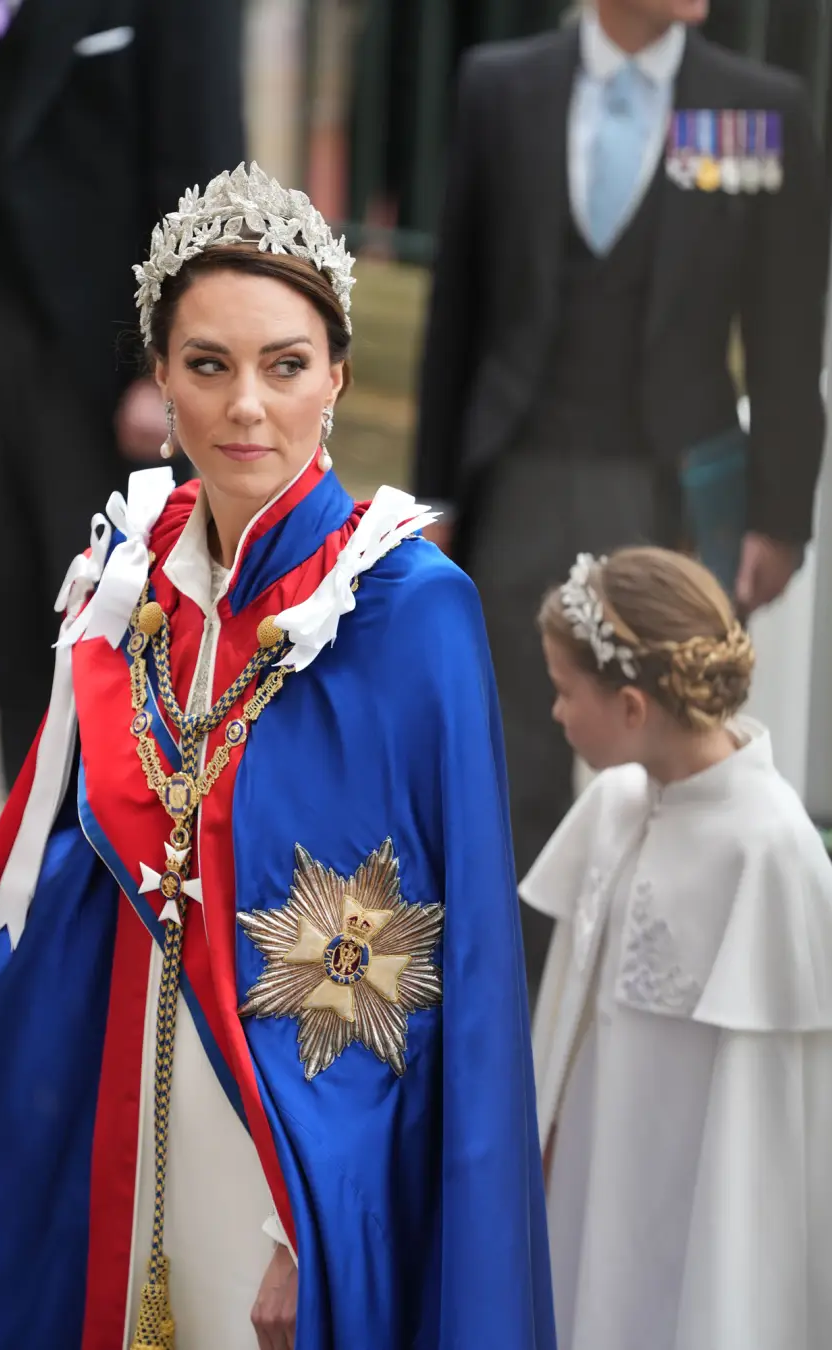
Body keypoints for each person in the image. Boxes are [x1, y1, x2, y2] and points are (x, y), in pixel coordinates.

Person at [0, 164, 556, 1350]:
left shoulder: (410, 609)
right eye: (207, 366)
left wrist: (305, 1227)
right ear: (160, 380)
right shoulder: (131, 582)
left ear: (335, 375)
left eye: (284, 365)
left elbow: (441, 955)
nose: (246, 410)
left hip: (293, 1151)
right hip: (126, 1100)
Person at [413, 0, 830, 999]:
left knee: (669, 771)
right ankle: (514, 1029)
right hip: (514, 486)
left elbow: (784, 332)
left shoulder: (756, 111)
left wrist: (778, 513)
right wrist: (435, 494)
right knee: (507, 770)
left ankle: (643, 1013)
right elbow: (455, 306)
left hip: (674, 505)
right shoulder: (499, 86)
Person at [521, 546, 832, 1350]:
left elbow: (766, 1120)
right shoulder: (616, 802)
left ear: (631, 707)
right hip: (584, 1192)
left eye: (564, 692)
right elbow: (564, 1023)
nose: (555, 714)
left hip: (691, 1225)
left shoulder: (769, 851)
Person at [0, 0, 244, 788]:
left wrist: (166, 367)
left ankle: (118, 889)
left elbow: (203, 171)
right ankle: (23, 884)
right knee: (5, 625)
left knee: (109, 644)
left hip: (103, 363)